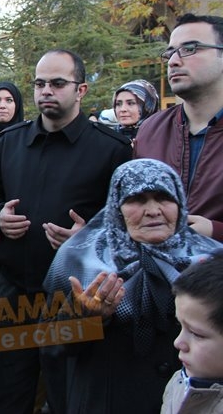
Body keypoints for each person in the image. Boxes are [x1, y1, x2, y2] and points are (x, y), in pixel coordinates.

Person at [0, 49, 132, 414]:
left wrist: (87, 238)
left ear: (81, 90)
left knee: (68, 397)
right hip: (13, 291)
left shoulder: (111, 149)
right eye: (40, 83)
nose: (46, 90)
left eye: (58, 83)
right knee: (7, 397)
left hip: (75, 298)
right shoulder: (11, 141)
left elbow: (127, 226)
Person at [44, 159, 222, 413]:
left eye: (164, 198)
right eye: (137, 199)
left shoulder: (212, 260)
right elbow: (52, 345)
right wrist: (85, 317)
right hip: (105, 402)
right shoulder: (79, 259)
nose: (153, 210)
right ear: (117, 207)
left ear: (180, 204)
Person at [134, 13, 223, 241]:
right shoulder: (150, 131)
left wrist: (215, 232)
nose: (173, 61)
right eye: (170, 52)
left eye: (190, 48)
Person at [163, 253, 223, 413]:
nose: (178, 343)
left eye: (197, 334)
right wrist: (98, 321)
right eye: (179, 325)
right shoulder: (179, 382)